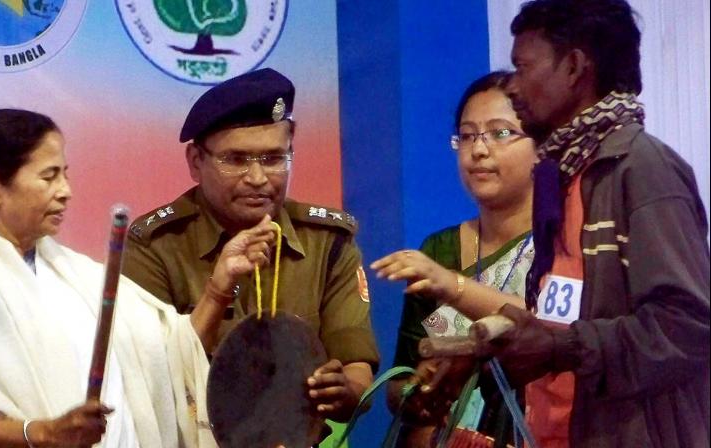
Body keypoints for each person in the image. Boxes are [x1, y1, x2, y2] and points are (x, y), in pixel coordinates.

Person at [376, 0, 710, 446]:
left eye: (522, 67)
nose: (513, 87)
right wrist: (479, 358)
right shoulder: (562, 177)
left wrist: (560, 348)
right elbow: (557, 316)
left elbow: (686, 327)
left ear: (574, 67)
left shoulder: (643, 168)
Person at [0, 108, 276, 448]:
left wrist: (219, 286)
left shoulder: (76, 275)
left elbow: (173, 359)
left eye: (65, 174)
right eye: (49, 176)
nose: (65, 191)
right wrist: (39, 433)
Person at [121, 68, 379, 425]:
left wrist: (344, 390)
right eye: (236, 160)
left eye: (274, 159)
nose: (258, 179)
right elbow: (149, 379)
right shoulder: (156, 246)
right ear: (196, 162)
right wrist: (216, 292)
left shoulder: (327, 242)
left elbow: (356, 367)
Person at [379, 71, 539, 447]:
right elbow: (399, 380)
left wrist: (452, 286)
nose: (478, 150)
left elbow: (552, 330)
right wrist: (417, 392)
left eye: (499, 133)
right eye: (467, 135)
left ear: (541, 144)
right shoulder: (440, 250)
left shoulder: (559, 243)